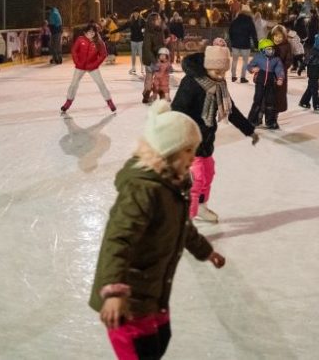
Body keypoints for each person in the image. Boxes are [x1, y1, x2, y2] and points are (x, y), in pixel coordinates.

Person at [89, 100, 225, 359]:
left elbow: (182, 227)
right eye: (188, 150)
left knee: (162, 339)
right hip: (128, 300)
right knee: (144, 352)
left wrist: (206, 252)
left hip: (153, 291)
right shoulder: (143, 190)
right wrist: (114, 292)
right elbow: (117, 240)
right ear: (169, 151)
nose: (193, 157)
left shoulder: (173, 186)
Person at [172, 39, 259, 222]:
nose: (220, 76)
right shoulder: (192, 83)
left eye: (223, 72)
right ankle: (186, 218)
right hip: (190, 141)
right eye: (216, 72)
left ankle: (201, 207)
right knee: (196, 179)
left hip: (207, 141)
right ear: (207, 67)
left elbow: (231, 110)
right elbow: (177, 110)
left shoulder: (219, 85)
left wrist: (249, 130)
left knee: (208, 173)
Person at [61, 23, 117, 114]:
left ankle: (109, 101)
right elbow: (74, 51)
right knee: (74, 84)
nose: (91, 33)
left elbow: (103, 54)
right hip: (80, 67)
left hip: (92, 67)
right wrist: (77, 62)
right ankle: (68, 102)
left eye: (93, 32)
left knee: (101, 84)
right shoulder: (80, 40)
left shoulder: (99, 42)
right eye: (89, 32)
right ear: (85, 32)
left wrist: (95, 64)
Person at [246, 38, 285, 127]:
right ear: (262, 50)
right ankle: (253, 120)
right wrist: (252, 69)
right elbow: (249, 66)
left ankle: (270, 121)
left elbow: (279, 69)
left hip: (270, 83)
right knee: (257, 100)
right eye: (268, 49)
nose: (271, 51)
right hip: (260, 82)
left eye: (272, 49)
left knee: (270, 101)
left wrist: (280, 78)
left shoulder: (276, 59)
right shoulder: (258, 58)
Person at [140, 12, 169, 104]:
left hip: (158, 58)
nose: (159, 20)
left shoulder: (160, 30)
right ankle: (146, 94)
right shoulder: (148, 33)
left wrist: (165, 44)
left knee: (159, 77)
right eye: (158, 19)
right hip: (150, 59)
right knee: (149, 77)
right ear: (152, 21)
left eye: (159, 18)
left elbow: (161, 44)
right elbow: (147, 49)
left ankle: (160, 94)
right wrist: (154, 61)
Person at [228, 5, 258, 84]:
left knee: (234, 61)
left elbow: (230, 32)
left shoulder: (235, 21)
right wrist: (256, 45)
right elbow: (254, 34)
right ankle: (243, 77)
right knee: (245, 61)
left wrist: (232, 41)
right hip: (245, 44)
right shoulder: (249, 21)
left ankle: (233, 76)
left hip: (235, 44)